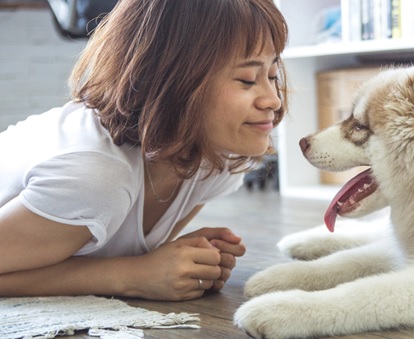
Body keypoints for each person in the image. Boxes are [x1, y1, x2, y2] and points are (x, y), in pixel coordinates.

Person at [0, 0, 288, 301]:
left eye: (271, 75)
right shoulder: (94, 176)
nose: (273, 100)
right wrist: (130, 276)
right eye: (246, 80)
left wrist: (176, 259)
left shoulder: (216, 159)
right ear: (172, 79)